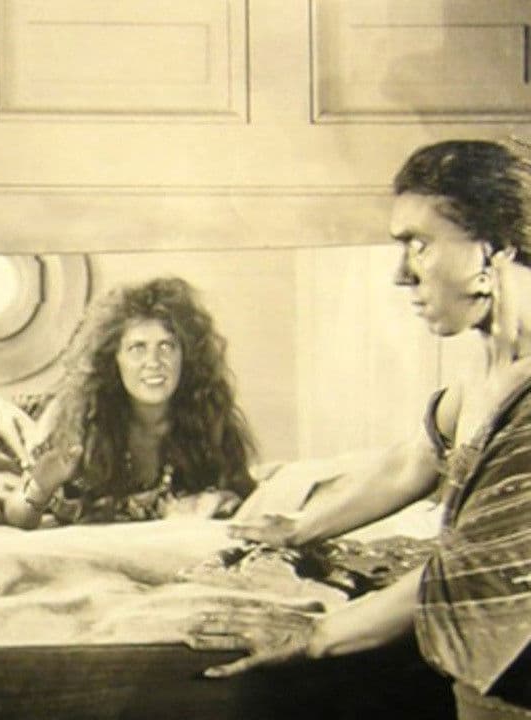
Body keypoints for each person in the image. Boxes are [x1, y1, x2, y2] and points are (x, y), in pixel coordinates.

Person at [187, 138, 531, 718]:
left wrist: (316, 635)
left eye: (418, 244)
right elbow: (413, 461)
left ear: (490, 251)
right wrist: (299, 527)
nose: (401, 275)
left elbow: (468, 573)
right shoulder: (488, 372)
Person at [0, 276, 258, 529]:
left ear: (187, 357)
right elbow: (20, 516)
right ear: (114, 360)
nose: (154, 363)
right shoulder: (80, 419)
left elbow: (238, 491)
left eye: (167, 347)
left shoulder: (204, 419)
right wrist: (44, 484)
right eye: (137, 348)